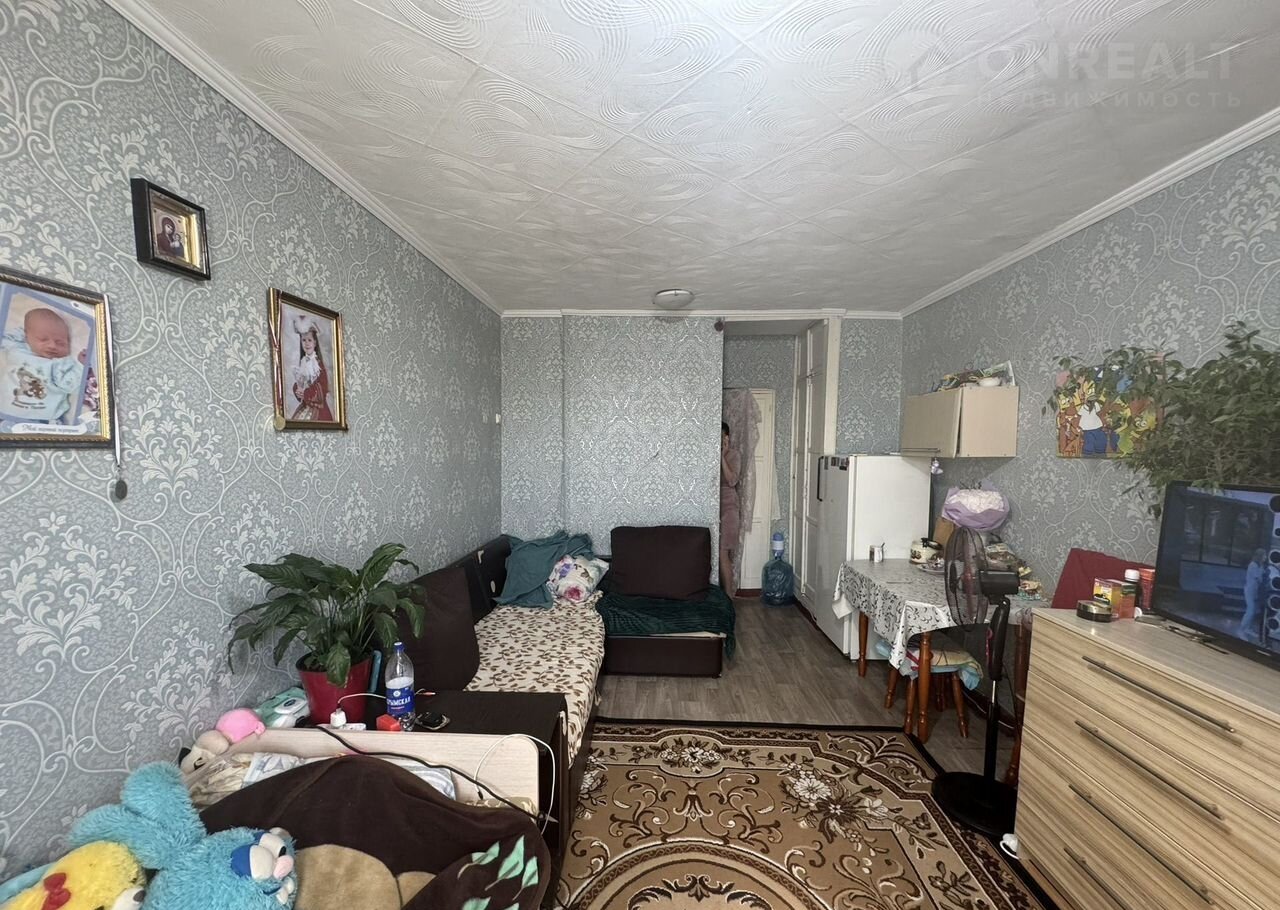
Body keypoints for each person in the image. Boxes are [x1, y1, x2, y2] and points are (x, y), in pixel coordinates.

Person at [1, 305, 84, 428]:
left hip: (44, 421)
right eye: (43, 339)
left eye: (60, 342)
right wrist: (23, 332)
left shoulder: (62, 363)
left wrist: (80, 366)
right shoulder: (17, 347)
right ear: (26, 337)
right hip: (5, 414)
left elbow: (70, 386)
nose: (52, 346)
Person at [290, 317, 333, 422]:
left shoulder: (318, 363)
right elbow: (301, 382)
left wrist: (306, 393)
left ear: (315, 343)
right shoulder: (303, 362)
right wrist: (297, 389)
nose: (307, 343)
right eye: (304, 340)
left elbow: (322, 387)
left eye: (309, 340)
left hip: (318, 408)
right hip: (306, 404)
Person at [719, 421, 741, 596]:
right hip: (713, 506)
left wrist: (722, 456)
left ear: (726, 438)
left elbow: (732, 481)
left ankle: (728, 597)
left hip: (729, 508)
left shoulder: (734, 455)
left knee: (722, 552)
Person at [1240, 548, 1269, 642]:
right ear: (1260, 556)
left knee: (1253, 611)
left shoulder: (1261, 565)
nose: (1265, 557)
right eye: (1264, 555)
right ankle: (1241, 630)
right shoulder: (1253, 565)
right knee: (1250, 611)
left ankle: (1247, 628)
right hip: (1249, 591)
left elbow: (1264, 574)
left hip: (1255, 592)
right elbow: (1258, 578)